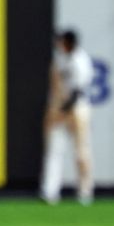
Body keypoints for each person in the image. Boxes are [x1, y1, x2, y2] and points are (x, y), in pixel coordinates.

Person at [40, 30, 94, 206]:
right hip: (59, 108)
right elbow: (55, 86)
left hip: (77, 110)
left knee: (81, 152)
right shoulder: (59, 58)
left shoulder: (81, 60)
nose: (59, 44)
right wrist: (54, 110)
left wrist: (62, 110)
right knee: (54, 149)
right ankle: (50, 192)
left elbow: (78, 92)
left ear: (70, 43)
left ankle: (85, 192)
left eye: (62, 41)